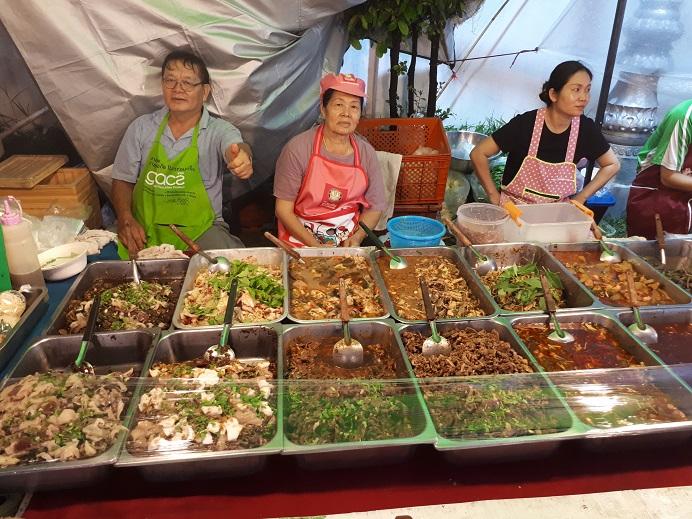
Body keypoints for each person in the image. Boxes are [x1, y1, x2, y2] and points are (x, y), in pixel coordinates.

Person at [111, 49, 253, 259]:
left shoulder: (218, 130)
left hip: (201, 230)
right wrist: (125, 218)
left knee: (233, 267)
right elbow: (122, 180)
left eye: (188, 82)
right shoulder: (141, 128)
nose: (178, 89)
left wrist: (242, 157)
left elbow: (236, 147)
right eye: (170, 81)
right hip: (146, 231)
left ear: (205, 92)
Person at [470, 61, 620, 206]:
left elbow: (612, 164)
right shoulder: (526, 124)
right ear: (554, 94)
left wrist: (580, 198)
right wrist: (493, 195)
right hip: (515, 211)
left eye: (587, 90)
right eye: (576, 89)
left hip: (555, 213)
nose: (584, 98)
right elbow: (479, 153)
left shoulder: (585, 129)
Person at [273, 73, 385, 247]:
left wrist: (357, 238)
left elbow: (375, 207)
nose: (346, 114)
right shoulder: (298, 149)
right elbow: (283, 209)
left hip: (347, 240)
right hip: (301, 241)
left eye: (354, 107)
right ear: (323, 109)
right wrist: (316, 247)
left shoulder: (366, 154)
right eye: (339, 105)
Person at [626, 99, 692, 239]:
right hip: (659, 199)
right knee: (652, 257)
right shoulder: (684, 116)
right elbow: (668, 177)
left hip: (687, 199)